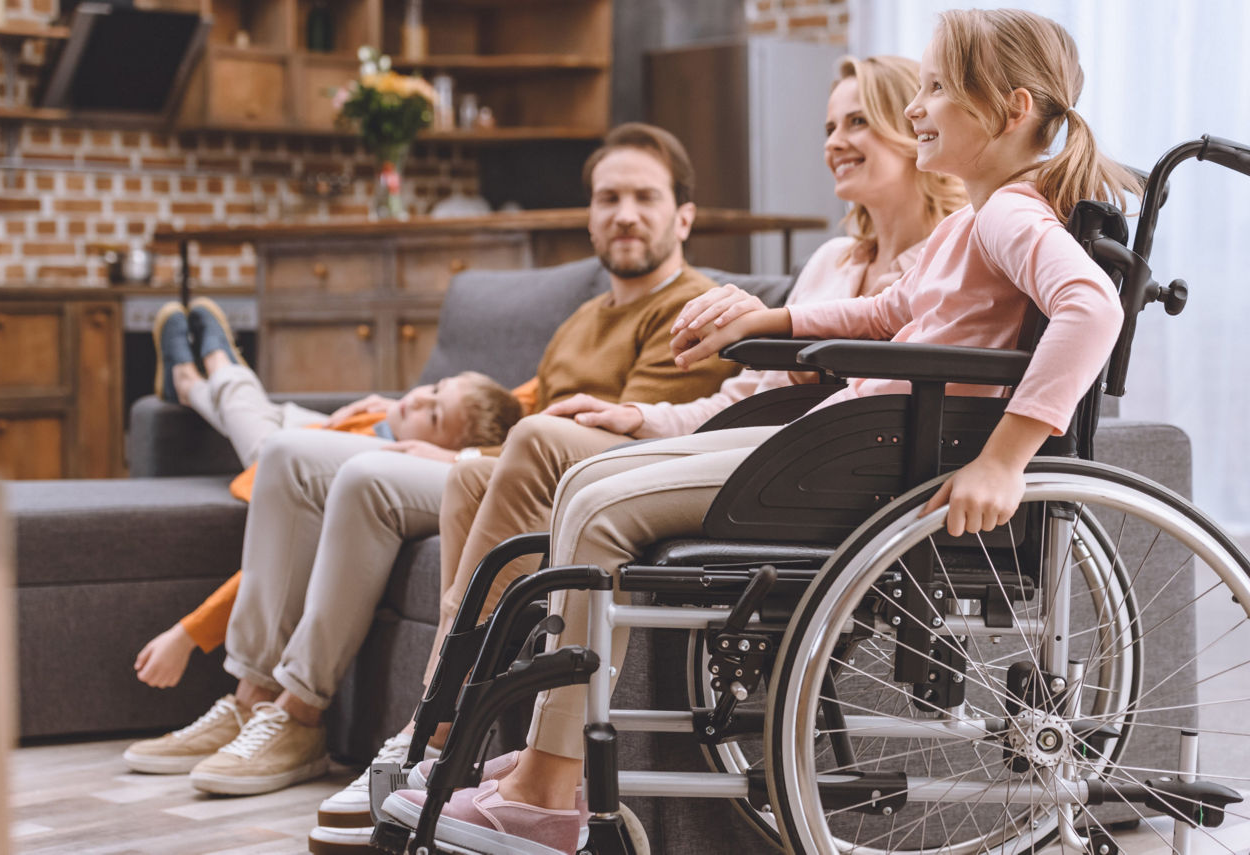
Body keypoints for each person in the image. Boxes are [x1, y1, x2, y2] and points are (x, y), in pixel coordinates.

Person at [383, 10, 1138, 855]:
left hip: (881, 462)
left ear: (1007, 111)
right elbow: (891, 310)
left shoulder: (1009, 218)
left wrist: (1006, 458)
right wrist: (774, 314)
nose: (917, 106)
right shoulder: (976, 217)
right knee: (583, 483)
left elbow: (1092, 309)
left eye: (932, 88)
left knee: (600, 511)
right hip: (857, 441)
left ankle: (548, 790)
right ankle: (542, 767)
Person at [305, 52, 970, 850]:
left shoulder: (952, 255)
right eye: (829, 124)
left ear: (913, 126)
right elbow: (740, 399)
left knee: (562, 463)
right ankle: (462, 723)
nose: (835, 140)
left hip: (834, 466)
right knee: (509, 469)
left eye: (858, 120)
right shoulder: (831, 263)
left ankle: (461, 735)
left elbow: (893, 381)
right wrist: (641, 418)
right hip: (765, 443)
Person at [123, 122, 738, 798]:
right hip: (503, 465)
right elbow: (533, 402)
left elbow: (609, 447)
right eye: (608, 197)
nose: (624, 214)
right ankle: (253, 693)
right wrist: (431, 421)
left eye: (644, 198)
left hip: (553, 486)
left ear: (683, 216)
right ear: (588, 214)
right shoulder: (586, 315)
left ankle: (301, 712)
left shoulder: (690, 310)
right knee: (290, 455)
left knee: (364, 478)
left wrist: (468, 450)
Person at [132, 295, 523, 690]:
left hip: (307, 449)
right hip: (327, 427)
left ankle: (206, 370)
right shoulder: (385, 415)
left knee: (264, 435)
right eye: (435, 388)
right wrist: (389, 409)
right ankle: (196, 380)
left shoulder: (369, 473)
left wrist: (189, 633)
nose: (419, 398)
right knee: (258, 417)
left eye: (434, 415)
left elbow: (281, 557)